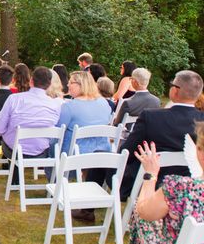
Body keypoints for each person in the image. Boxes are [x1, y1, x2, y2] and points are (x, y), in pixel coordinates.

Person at [75, 70, 204, 223]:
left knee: (102, 156)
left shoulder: (151, 117)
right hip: (188, 185)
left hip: (146, 180)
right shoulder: (200, 121)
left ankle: (87, 210)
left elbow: (127, 152)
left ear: (175, 90)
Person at [129, 134, 204, 244]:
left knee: (141, 214)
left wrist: (150, 175)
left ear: (199, 152)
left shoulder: (180, 187)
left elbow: (144, 212)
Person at [0, 67, 63, 170]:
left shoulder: (14, 99)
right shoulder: (56, 104)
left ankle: (15, 178)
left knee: (7, 135)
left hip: (14, 151)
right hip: (42, 151)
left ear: (31, 81)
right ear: (49, 84)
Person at [56, 71, 112, 156]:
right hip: (102, 154)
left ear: (81, 84)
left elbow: (58, 133)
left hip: (74, 157)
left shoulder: (69, 106)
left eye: (71, 82)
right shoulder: (103, 102)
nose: (67, 85)